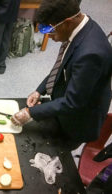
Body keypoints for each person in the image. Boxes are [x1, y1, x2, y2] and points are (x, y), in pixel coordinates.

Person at [11, 0, 112, 150]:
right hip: (66, 100)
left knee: (58, 153)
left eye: (50, 30)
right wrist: (40, 90)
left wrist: (30, 112)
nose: (49, 37)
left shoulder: (91, 54)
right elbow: (62, 67)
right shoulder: (81, 27)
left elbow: (73, 102)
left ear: (67, 22)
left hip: (77, 120)